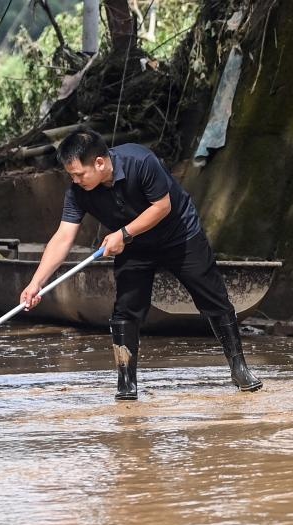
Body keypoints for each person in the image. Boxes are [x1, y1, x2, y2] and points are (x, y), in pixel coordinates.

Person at [19, 129, 262, 400]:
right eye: (71, 176)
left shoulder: (141, 161)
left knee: (213, 298)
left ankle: (239, 368)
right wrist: (36, 283)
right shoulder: (78, 192)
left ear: (99, 163)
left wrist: (123, 234)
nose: (75, 180)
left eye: (79, 174)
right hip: (135, 246)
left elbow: (162, 207)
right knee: (126, 310)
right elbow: (63, 236)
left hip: (179, 235)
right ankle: (126, 384)